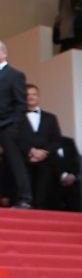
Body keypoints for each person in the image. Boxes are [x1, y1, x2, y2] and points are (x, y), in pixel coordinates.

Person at [18, 84, 63, 210]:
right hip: (24, 162)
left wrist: (45, 152)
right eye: (27, 94)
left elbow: (57, 140)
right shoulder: (16, 118)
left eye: (34, 94)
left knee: (44, 197)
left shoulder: (50, 118)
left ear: (38, 97)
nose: (31, 97)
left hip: (47, 163)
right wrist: (31, 151)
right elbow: (15, 139)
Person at [0, 43, 32, 209]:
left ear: (4, 52)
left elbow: (21, 104)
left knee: (15, 162)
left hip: (7, 125)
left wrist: (14, 124)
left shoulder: (15, 75)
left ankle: (25, 198)